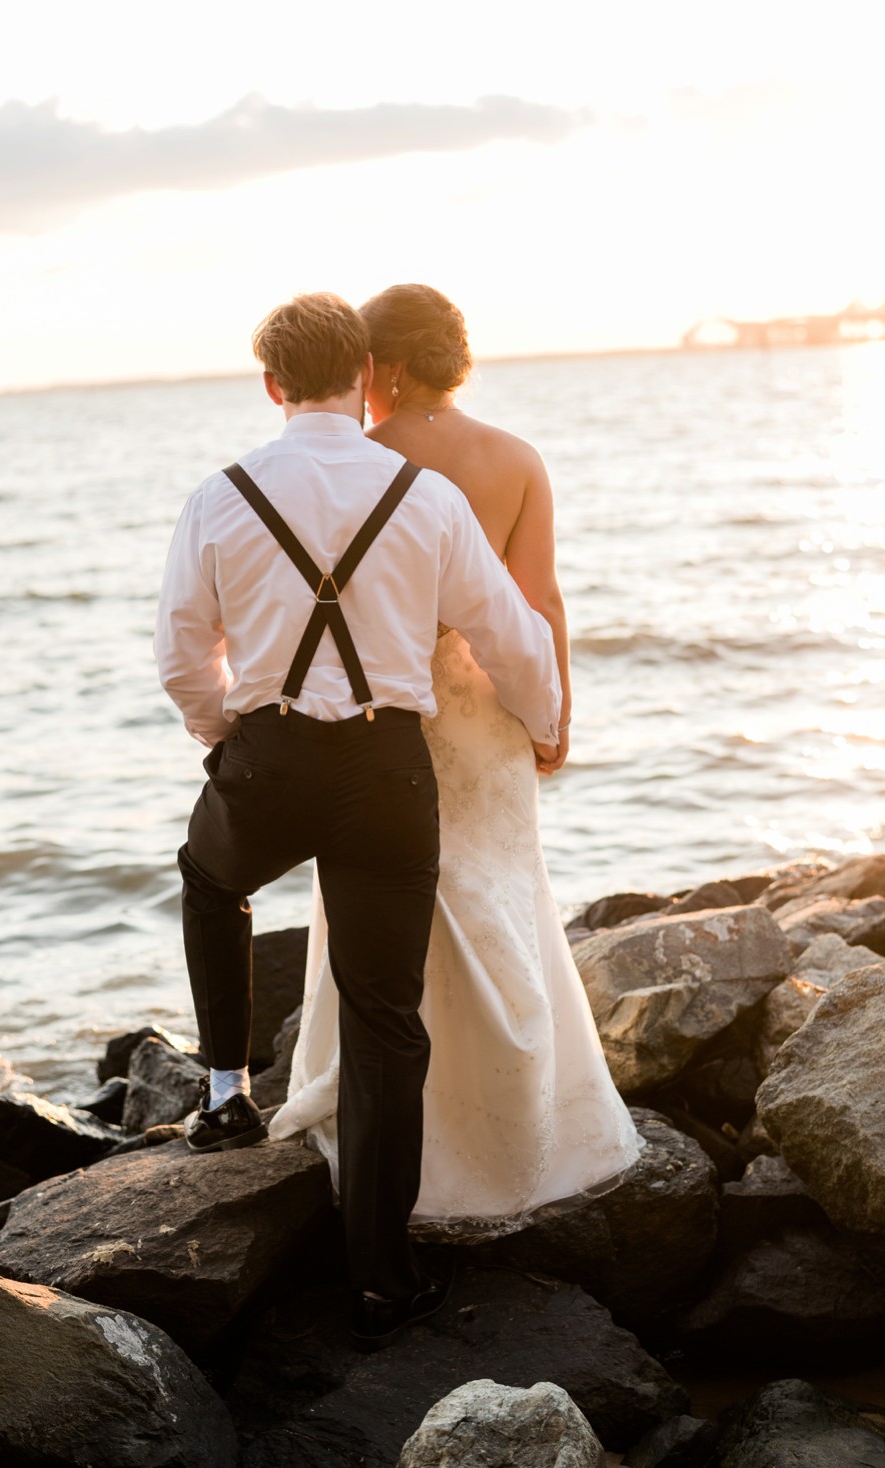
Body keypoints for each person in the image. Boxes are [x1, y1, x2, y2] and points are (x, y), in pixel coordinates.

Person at [154, 292, 562, 1347]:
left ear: (273, 386)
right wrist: (547, 720)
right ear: (360, 373)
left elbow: (180, 652)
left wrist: (223, 743)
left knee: (210, 879)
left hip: (272, 754)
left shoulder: (220, 493)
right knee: (386, 1015)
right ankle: (384, 1277)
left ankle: (225, 1091)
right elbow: (509, 632)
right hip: (389, 767)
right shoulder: (423, 497)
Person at [270, 285, 643, 1229]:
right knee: (501, 894)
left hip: (387, 709)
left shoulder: (363, 464)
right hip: (487, 710)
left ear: (382, 368)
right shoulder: (517, 458)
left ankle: (395, 1134)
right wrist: (552, 713)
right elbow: (541, 602)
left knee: (376, 905)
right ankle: (530, 1118)